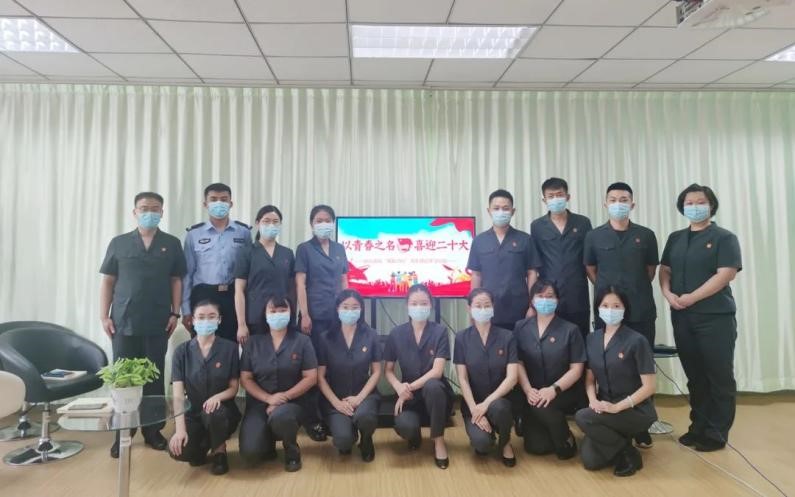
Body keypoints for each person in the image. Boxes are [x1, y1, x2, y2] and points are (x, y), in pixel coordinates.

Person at [99, 191, 186, 458]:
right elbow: (108, 281)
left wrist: (175, 313)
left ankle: (152, 431)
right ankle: (123, 432)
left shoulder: (171, 243)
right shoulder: (119, 243)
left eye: (155, 208)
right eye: (145, 208)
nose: (150, 212)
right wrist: (104, 316)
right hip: (123, 321)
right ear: (135, 212)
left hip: (158, 320)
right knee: (123, 379)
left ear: (162, 212)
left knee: (153, 377)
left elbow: (176, 280)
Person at [660, 184, 742, 452]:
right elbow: (665, 270)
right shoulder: (675, 238)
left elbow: (726, 274)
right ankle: (698, 427)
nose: (694, 207)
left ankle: (716, 433)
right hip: (682, 316)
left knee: (718, 375)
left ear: (711, 205)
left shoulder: (724, 237)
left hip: (714, 317)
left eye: (700, 202)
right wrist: (667, 294)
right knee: (695, 376)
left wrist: (692, 297)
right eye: (689, 203)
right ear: (682, 207)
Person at [575, 287, 657, 477]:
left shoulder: (637, 340)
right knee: (590, 461)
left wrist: (617, 407)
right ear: (598, 308)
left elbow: (650, 386)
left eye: (616, 306)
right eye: (605, 305)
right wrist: (592, 400)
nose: (610, 310)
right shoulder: (592, 339)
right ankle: (623, 446)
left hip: (634, 410)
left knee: (582, 417)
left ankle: (628, 452)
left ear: (625, 309)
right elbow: (590, 379)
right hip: (605, 407)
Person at [238, 294, 318, 472]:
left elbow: (311, 377)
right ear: (265, 314)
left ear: (290, 313)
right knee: (250, 453)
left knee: (282, 416)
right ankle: (267, 442)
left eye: (283, 310)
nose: (278, 314)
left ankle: (291, 450)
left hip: (293, 403)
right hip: (260, 403)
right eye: (273, 311)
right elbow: (245, 379)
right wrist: (268, 399)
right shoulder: (253, 343)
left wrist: (283, 398)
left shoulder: (302, 341)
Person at [513, 280, 585, 459]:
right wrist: (528, 389)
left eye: (550, 296)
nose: (545, 300)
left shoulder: (571, 330)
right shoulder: (521, 327)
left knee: (562, 451)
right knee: (536, 448)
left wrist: (553, 389)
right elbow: (518, 362)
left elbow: (577, 369)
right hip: (533, 393)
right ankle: (546, 427)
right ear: (532, 301)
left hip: (562, 392)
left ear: (557, 300)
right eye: (540, 296)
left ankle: (566, 438)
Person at [384, 284, 453, 469]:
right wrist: (399, 387)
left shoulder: (439, 332)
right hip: (409, 397)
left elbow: (437, 372)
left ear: (430, 305)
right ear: (407, 305)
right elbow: (388, 370)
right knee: (404, 426)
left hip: (435, 394)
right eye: (414, 303)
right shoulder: (396, 334)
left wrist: (409, 387)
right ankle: (415, 435)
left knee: (433, 385)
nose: (419, 307)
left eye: (423, 303)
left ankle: (438, 440)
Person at [295, 204, 349, 441]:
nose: (324, 224)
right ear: (312, 224)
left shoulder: (339, 249)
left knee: (332, 366)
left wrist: (347, 307)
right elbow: (300, 283)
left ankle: (332, 414)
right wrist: (305, 314)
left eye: (328, 220)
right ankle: (312, 419)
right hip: (314, 317)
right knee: (313, 367)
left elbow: (344, 280)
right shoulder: (305, 249)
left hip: (336, 316)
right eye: (319, 220)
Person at [169, 300, 241, 475]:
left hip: (222, 412)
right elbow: (178, 396)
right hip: (193, 412)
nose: (206, 321)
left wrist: (218, 397)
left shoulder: (230, 348)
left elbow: (234, 388)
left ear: (219, 320)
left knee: (213, 412)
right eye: (201, 317)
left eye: (211, 316)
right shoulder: (181, 352)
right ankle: (202, 445)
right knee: (179, 450)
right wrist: (180, 430)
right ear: (192, 320)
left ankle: (219, 450)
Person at [584, 182, 659, 345]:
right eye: (613, 200)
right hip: (607, 310)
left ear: (632, 205)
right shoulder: (593, 236)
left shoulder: (646, 235)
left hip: (640, 308)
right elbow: (590, 269)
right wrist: (608, 288)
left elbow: (651, 270)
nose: (618, 204)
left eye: (624, 200)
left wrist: (634, 284)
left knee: (642, 354)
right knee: (607, 355)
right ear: (606, 204)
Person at [454, 288, 518, 467]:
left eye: (487, 305)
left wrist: (486, 404)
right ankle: (487, 435)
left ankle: (505, 441)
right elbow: (462, 379)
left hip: (499, 401)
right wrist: (476, 409)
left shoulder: (507, 336)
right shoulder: (461, 338)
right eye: (478, 306)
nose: (482, 309)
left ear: (493, 308)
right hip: (474, 404)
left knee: (500, 408)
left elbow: (512, 378)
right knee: (482, 445)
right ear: (469, 309)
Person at [317, 289, 381, 462]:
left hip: (364, 395)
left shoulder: (371, 335)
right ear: (337, 309)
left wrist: (359, 398)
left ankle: (366, 440)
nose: (350, 311)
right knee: (343, 441)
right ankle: (349, 434)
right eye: (345, 307)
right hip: (336, 399)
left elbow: (376, 372)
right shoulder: (325, 338)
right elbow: (320, 377)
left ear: (361, 310)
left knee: (365, 418)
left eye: (355, 307)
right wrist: (336, 403)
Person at [182, 183, 252, 342]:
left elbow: (248, 270)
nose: (219, 203)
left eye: (223, 199)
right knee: (203, 344)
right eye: (213, 199)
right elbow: (187, 274)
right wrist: (185, 309)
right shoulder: (194, 234)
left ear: (231, 203)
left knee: (231, 345)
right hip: (203, 294)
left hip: (233, 295)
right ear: (205, 204)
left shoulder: (243, 232)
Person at [467, 189, 541, 331]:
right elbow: (476, 275)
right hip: (487, 309)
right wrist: (473, 305)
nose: (501, 212)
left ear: (513, 211)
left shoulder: (525, 239)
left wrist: (532, 306)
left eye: (505, 208)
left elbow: (532, 273)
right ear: (489, 211)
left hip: (518, 309)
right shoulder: (479, 241)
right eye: (496, 208)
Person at [530, 178, 593, 337]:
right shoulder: (537, 226)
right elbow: (534, 264)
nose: (555, 199)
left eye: (559, 195)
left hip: (577, 294)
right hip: (549, 297)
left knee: (580, 338)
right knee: (551, 341)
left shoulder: (583, 223)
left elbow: (590, 259)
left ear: (567, 197)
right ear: (544, 200)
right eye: (551, 196)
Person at [234, 205, 295, 345]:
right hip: (255, 318)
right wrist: (241, 324)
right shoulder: (246, 252)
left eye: (275, 222)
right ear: (257, 223)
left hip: (282, 316)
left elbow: (292, 289)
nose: (271, 225)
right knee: (256, 355)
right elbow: (239, 290)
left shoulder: (287, 253)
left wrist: (292, 317)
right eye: (266, 221)